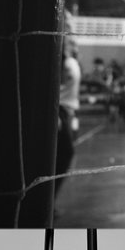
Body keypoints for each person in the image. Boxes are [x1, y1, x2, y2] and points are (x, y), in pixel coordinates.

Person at [55, 41, 81, 196]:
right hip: (59, 110)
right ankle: (46, 201)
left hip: (68, 111)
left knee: (65, 155)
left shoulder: (71, 59)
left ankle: (49, 201)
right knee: (65, 154)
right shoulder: (60, 56)